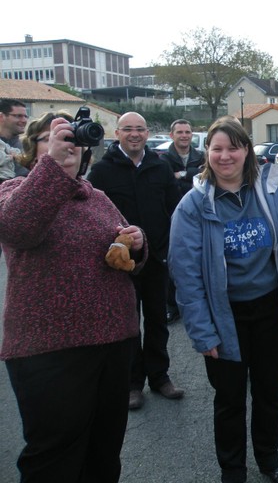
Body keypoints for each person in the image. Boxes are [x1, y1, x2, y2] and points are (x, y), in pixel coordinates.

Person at [168, 117, 278, 483]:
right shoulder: (193, 205)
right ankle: (232, 469)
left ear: (247, 151)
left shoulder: (271, 193)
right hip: (224, 317)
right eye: (217, 149)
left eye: (233, 148)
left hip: (271, 309)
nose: (225, 156)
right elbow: (185, 276)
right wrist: (202, 331)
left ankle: (269, 459)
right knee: (229, 399)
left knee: (269, 392)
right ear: (207, 152)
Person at [0, 112, 147, 482]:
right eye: (54, 138)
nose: (68, 147)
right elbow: (18, 229)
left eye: (73, 141)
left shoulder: (97, 197)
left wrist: (136, 243)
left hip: (113, 343)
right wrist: (52, 168)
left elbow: (124, 256)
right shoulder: (11, 190)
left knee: (104, 451)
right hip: (49, 351)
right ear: (32, 149)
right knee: (54, 458)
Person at [89, 112, 184, 410]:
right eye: (128, 129)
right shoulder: (102, 171)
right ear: (117, 133)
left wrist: (168, 249)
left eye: (140, 129)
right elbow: (93, 218)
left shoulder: (160, 167)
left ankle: (159, 376)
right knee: (128, 325)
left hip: (156, 260)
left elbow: (175, 210)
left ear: (147, 134)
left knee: (158, 320)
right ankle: (132, 383)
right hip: (120, 265)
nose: (134, 134)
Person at [160, 118, 206, 324]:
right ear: (172, 135)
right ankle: (172, 306)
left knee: (200, 260)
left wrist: (182, 175)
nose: (184, 136)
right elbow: (167, 183)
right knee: (175, 262)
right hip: (172, 217)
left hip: (199, 215)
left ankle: (202, 303)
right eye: (180, 132)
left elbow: (205, 178)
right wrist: (190, 176)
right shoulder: (163, 159)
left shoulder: (201, 156)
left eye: (187, 132)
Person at [0, 99, 29, 178]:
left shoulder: (28, 147)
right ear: (1, 117)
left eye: (26, 116)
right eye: (18, 116)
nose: (24, 120)